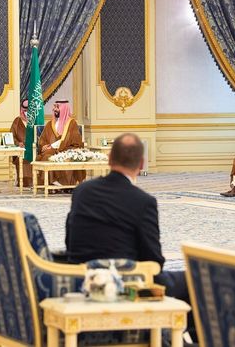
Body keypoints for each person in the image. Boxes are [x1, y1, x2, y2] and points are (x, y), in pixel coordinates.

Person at [65, 133, 193, 336]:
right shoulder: (143, 201)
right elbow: (154, 261)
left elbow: (69, 239)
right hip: (128, 285)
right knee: (194, 281)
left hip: (83, 279)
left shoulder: (82, 191)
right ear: (141, 164)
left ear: (109, 159)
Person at [36, 99, 84, 186]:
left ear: (64, 109)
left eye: (57, 107)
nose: (54, 109)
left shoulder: (71, 123)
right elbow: (42, 140)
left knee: (67, 156)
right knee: (47, 156)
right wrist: (44, 146)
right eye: (54, 107)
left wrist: (58, 147)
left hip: (67, 150)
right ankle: (51, 183)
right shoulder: (50, 124)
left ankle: (65, 184)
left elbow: (75, 142)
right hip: (51, 151)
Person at [9, 99, 32, 187]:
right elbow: (11, 137)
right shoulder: (17, 121)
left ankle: (38, 182)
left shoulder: (35, 121)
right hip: (21, 151)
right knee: (24, 159)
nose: (26, 112)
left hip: (33, 150)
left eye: (28, 110)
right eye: (24, 110)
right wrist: (18, 143)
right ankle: (26, 182)